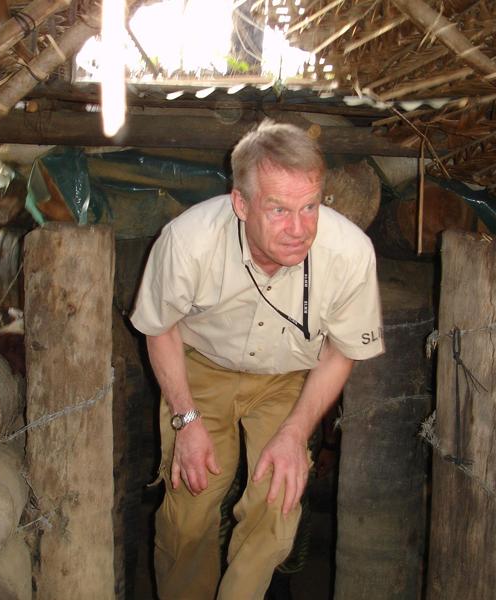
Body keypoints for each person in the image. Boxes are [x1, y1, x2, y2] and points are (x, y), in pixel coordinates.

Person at [130, 119, 384, 599]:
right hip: (200, 370)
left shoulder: (350, 253)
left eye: (310, 207)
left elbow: (341, 352)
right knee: (191, 507)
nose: (299, 229)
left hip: (288, 379)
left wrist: (295, 434)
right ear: (241, 204)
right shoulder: (187, 241)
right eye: (279, 210)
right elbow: (159, 326)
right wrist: (185, 420)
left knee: (278, 502)